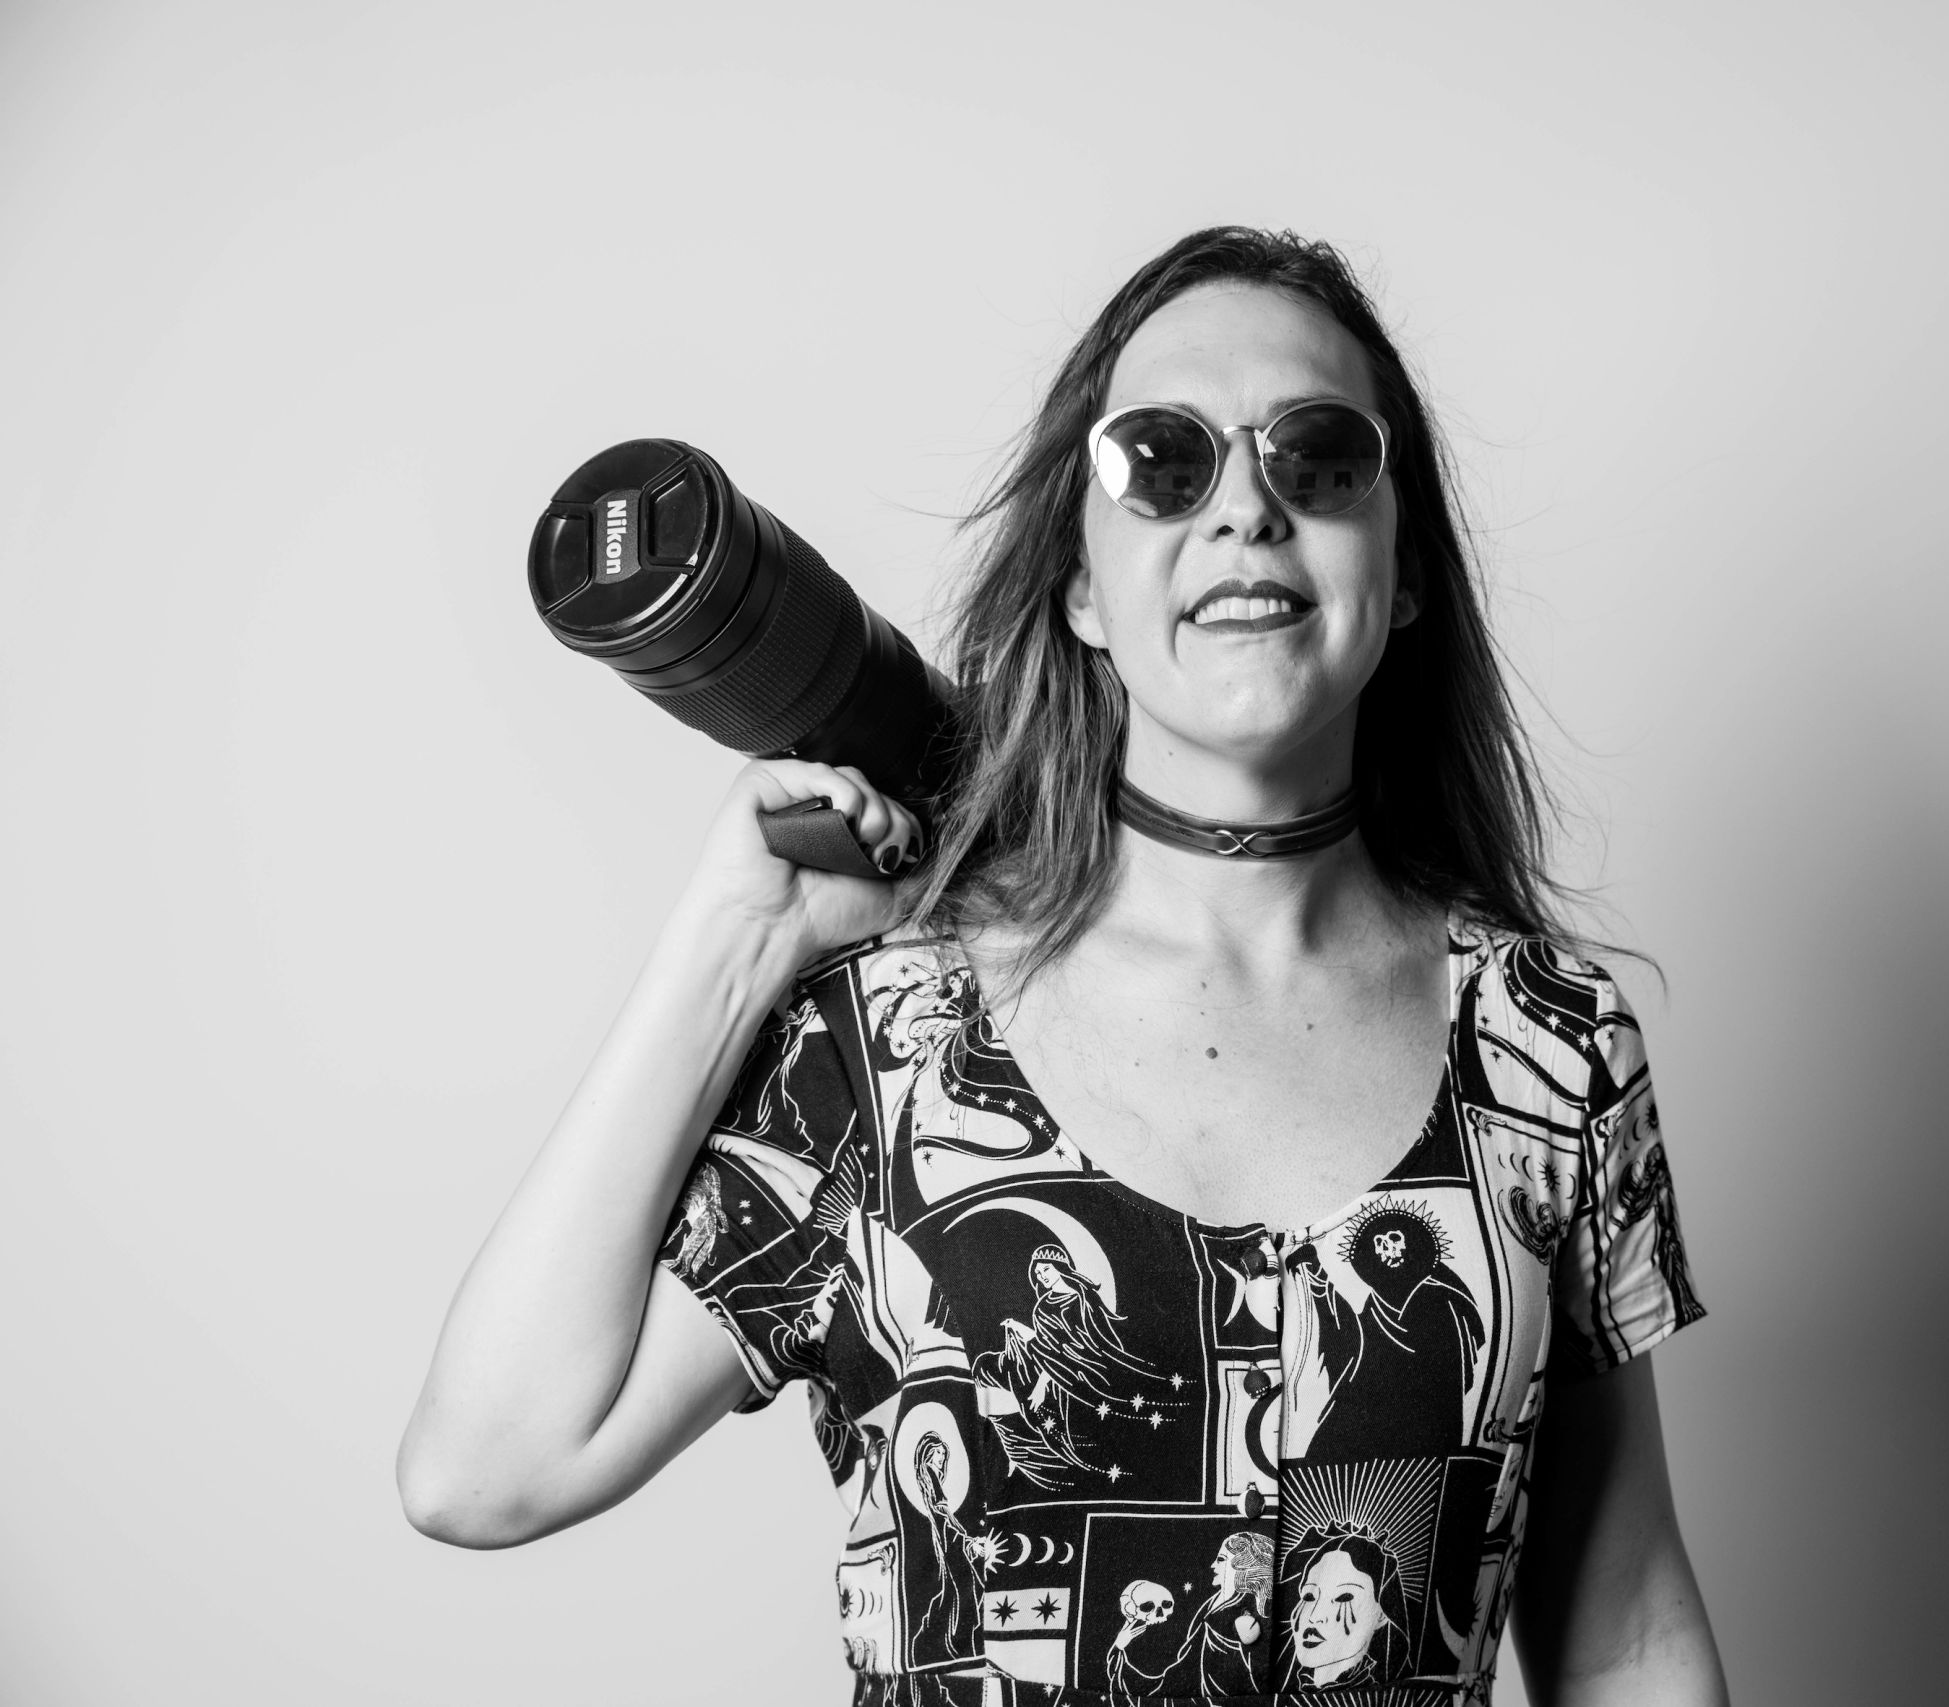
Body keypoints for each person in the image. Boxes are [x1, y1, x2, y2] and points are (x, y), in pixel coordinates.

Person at [399, 226, 1727, 1706]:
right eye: (1162, 460)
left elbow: (1623, 1634)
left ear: (1401, 568)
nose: (1245, 513)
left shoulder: (1548, 1050)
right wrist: (731, 952)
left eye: (1320, 457)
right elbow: (484, 1469)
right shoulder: (891, 1047)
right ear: (1084, 589)